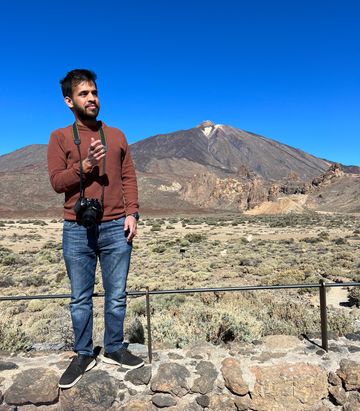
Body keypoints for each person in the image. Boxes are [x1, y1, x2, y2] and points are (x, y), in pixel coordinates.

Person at [47, 69, 144, 389]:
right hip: (77, 228)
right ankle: (84, 353)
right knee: (80, 297)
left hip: (117, 227)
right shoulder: (59, 137)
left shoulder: (116, 135)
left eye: (94, 93)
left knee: (117, 295)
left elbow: (128, 177)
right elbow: (57, 182)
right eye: (84, 94)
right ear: (69, 101)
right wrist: (84, 167)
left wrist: (132, 214)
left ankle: (115, 347)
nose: (92, 98)